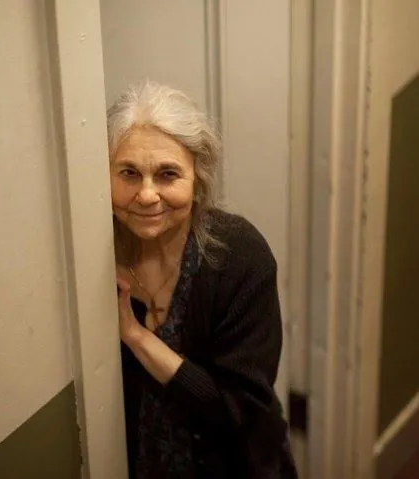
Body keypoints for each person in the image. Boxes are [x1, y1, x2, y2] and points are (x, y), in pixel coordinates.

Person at [108, 81, 297, 479]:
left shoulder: (240, 255)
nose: (147, 195)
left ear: (198, 179)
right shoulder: (93, 256)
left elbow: (240, 408)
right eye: (129, 173)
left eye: (167, 174)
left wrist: (136, 336)